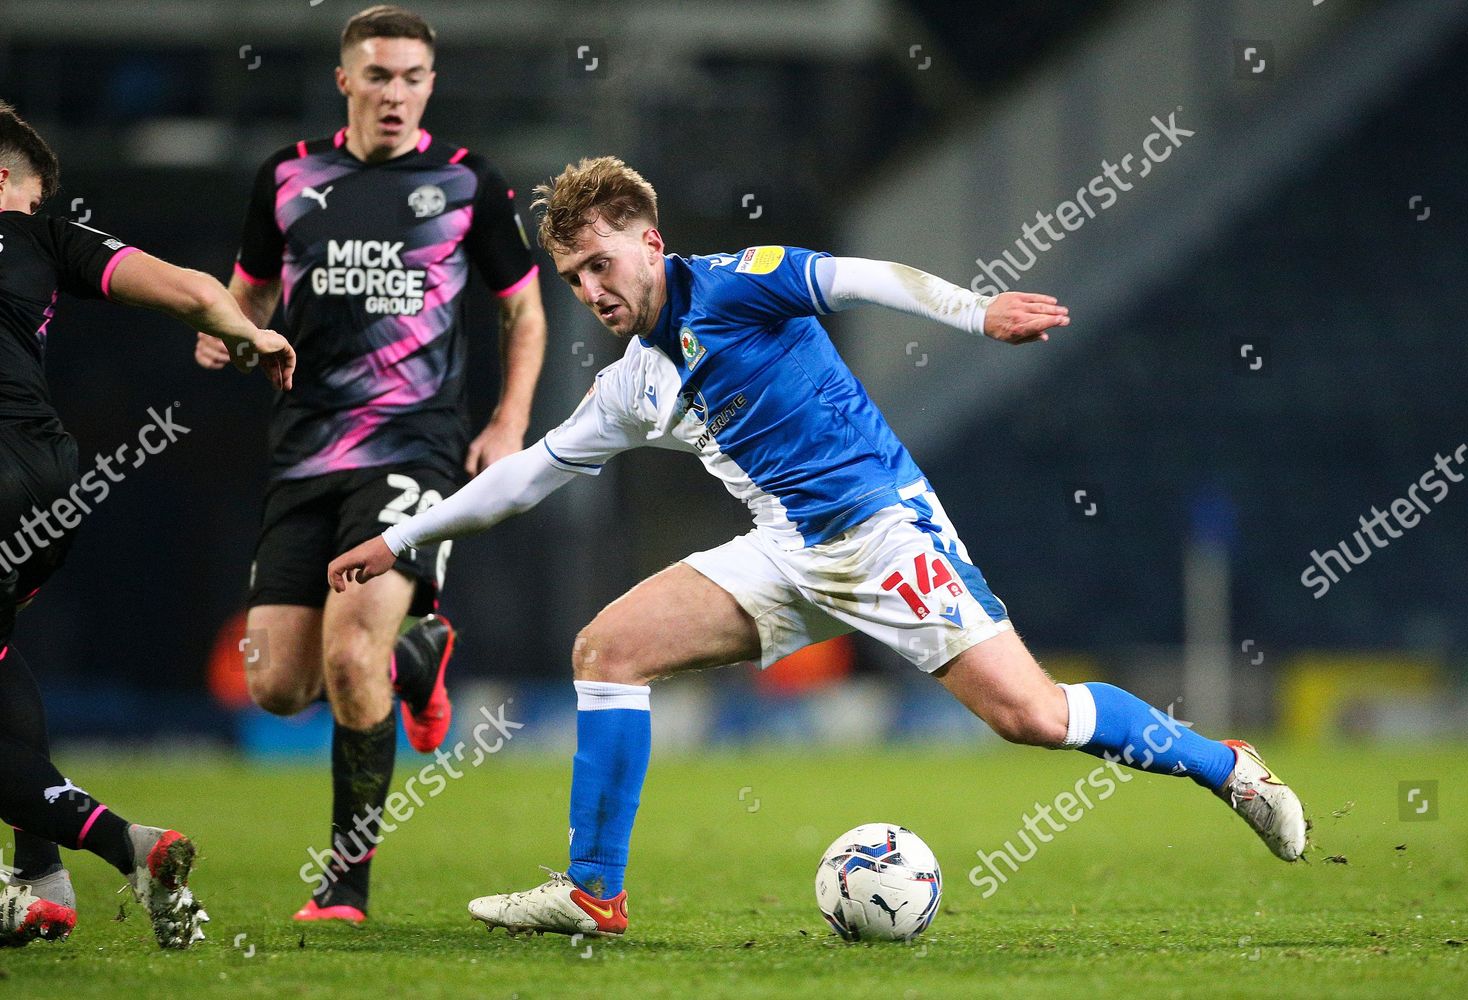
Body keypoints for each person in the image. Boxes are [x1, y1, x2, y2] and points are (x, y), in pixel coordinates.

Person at [328, 156, 1305, 938]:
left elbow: (864, 278)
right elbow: (528, 473)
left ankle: (1228, 767)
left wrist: (978, 312)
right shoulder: (630, 382)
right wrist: (400, 536)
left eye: (603, 263)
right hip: (786, 548)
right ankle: (593, 893)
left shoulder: (739, 284)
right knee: (607, 650)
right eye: (575, 275)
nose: (591, 287)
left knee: (1035, 717)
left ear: (651, 242)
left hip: (884, 530)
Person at [192, 5, 546, 923]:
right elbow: (248, 297)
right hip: (304, 453)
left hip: (413, 445)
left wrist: (506, 424)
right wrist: (224, 336)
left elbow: (524, 311)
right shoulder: (288, 174)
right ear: (346, 80)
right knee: (276, 685)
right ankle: (420, 650)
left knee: (353, 658)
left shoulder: (469, 182)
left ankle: (345, 884)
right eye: (379, 76)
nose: (396, 94)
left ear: (431, 84)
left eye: (413, 77)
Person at [0, 100, 294, 948]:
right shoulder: (50, 239)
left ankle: (124, 843)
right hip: (50, 478)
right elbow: (193, 291)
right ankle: (40, 876)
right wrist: (250, 336)